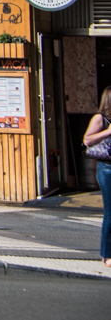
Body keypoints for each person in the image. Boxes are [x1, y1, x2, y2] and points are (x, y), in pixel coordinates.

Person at [82, 85, 111, 268]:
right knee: (110, 212)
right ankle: (107, 254)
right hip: (107, 168)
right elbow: (87, 140)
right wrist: (108, 131)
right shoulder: (100, 118)